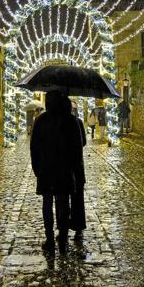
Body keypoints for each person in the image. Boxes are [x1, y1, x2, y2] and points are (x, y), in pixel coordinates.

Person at [30, 91, 83, 254]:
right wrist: (73, 168)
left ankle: (49, 239)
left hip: (46, 170)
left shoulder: (41, 121)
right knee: (63, 204)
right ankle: (63, 239)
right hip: (64, 170)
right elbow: (77, 149)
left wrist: (37, 169)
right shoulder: (71, 121)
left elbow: (34, 148)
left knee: (47, 204)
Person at [64, 97, 87, 243]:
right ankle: (78, 229)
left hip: (64, 166)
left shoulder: (58, 122)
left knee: (63, 199)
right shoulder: (77, 122)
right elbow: (83, 142)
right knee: (78, 199)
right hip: (77, 166)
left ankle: (64, 229)